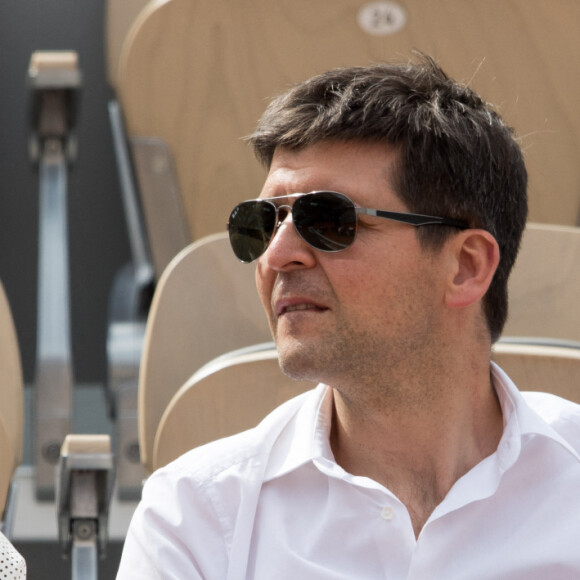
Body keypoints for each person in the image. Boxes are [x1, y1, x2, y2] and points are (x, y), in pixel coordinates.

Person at [117, 55, 580, 578]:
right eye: (262, 222)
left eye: (329, 220)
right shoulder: (193, 521)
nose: (276, 255)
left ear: (465, 266)